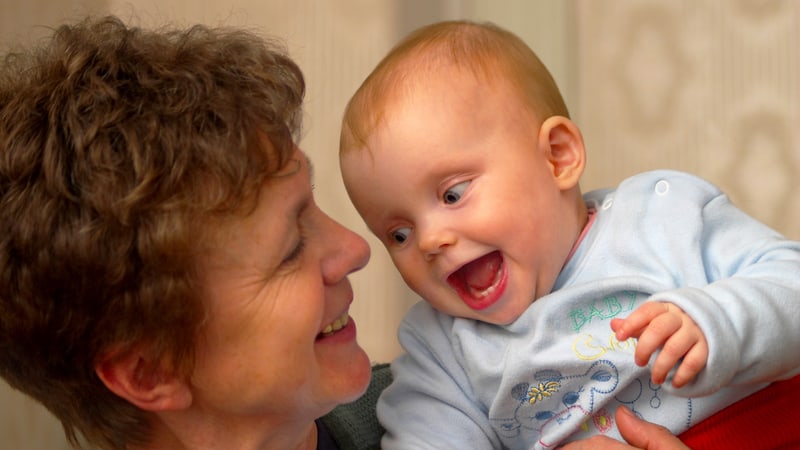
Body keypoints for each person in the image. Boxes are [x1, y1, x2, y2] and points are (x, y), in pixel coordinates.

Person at [339, 20, 800, 449]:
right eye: (398, 234)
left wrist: (718, 319)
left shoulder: (663, 215)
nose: (429, 240)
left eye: (454, 194)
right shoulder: (443, 351)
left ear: (557, 157)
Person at [0, 15, 391, 450]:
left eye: (311, 200)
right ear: (152, 371)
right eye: (291, 247)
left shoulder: (456, 415)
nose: (354, 248)